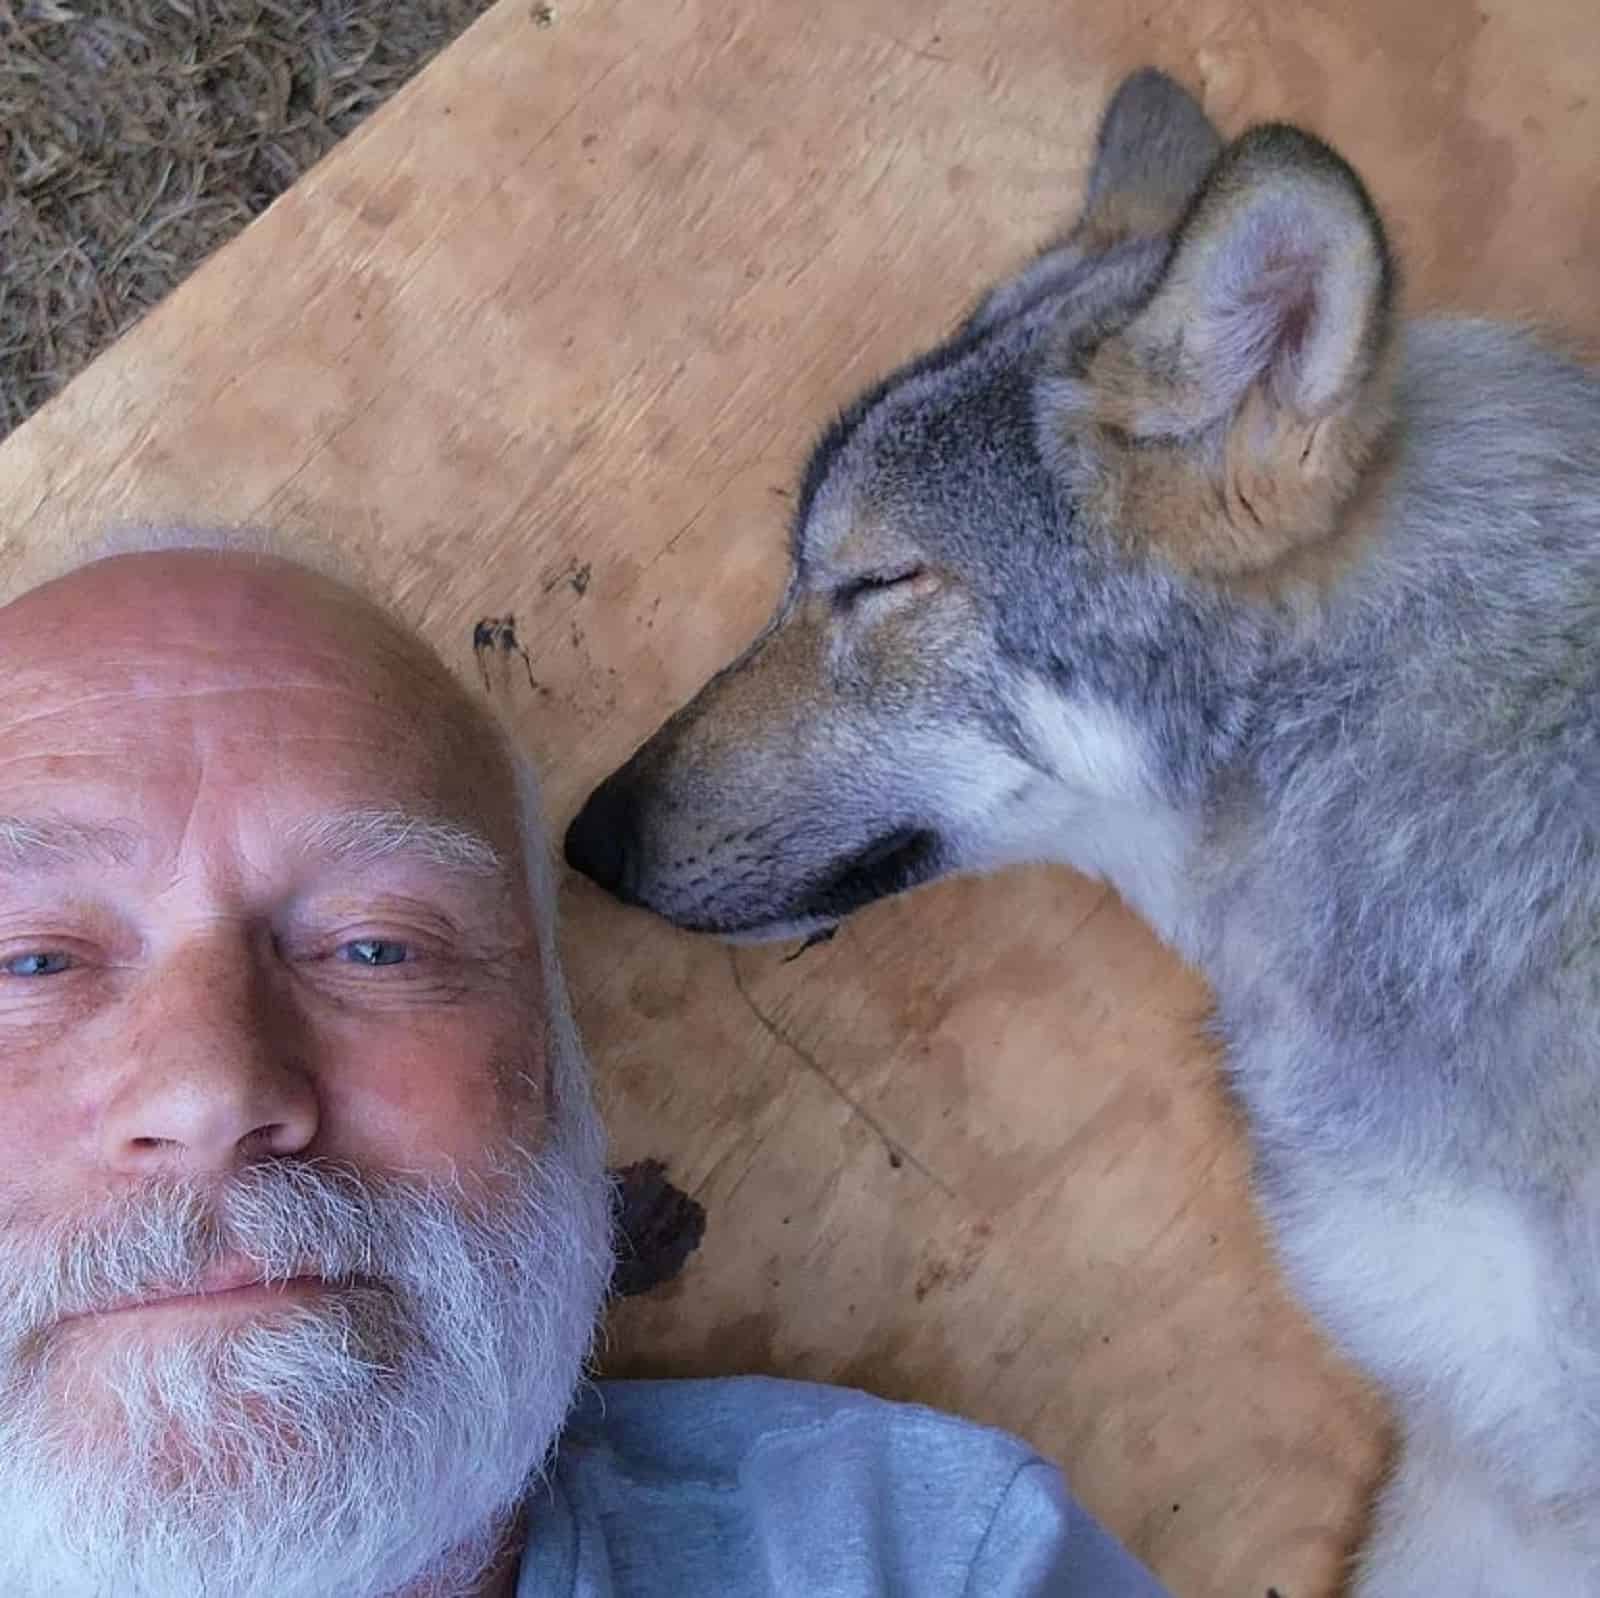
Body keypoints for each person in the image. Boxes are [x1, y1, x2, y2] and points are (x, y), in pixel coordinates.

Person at [0, 536, 1170, 1597]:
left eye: (375, 945)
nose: (211, 1088)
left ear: (559, 1066)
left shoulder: (923, 1564)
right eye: (32, 960)